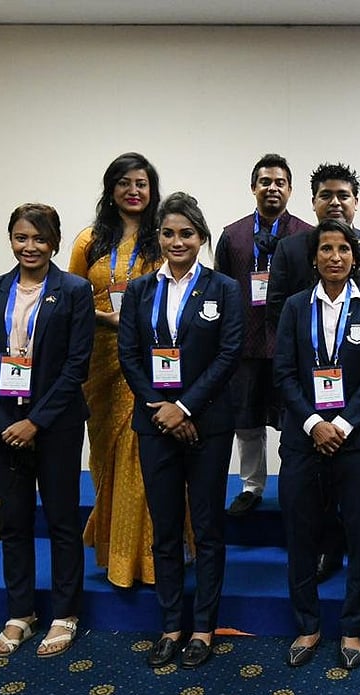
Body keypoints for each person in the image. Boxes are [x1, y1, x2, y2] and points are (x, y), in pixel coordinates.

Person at [117, 192, 243, 669]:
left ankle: (204, 628)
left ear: (201, 238)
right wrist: (161, 408)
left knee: (208, 529)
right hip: (154, 424)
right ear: (158, 237)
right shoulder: (139, 290)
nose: (176, 241)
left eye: (186, 233)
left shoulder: (223, 288)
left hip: (207, 424)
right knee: (165, 529)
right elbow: (129, 355)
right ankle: (171, 625)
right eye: (168, 233)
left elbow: (228, 354)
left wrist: (186, 408)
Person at [265, 162, 360, 587]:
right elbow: (277, 310)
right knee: (316, 485)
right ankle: (327, 547)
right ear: (314, 202)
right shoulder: (291, 249)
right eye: (327, 195)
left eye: (344, 195)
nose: (335, 202)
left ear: (356, 203)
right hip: (307, 393)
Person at [0, 204, 94, 658]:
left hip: (55, 425)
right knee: (14, 522)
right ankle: (20, 612)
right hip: (3, 426)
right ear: (11, 240)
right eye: (22, 237)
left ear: (55, 243)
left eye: (40, 238)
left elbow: (76, 364)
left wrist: (34, 421)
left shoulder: (75, 290)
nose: (30, 246)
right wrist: (4, 423)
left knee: (61, 521)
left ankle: (65, 612)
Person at [275, 219, 360, 669]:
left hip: (357, 440)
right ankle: (307, 625)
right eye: (326, 249)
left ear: (355, 257)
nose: (335, 257)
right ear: (314, 257)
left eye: (343, 249)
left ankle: (352, 629)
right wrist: (313, 424)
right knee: (300, 532)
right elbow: (283, 373)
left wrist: (341, 424)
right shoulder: (293, 307)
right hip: (305, 439)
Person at [70, 152, 165, 587]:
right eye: (125, 183)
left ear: (152, 190)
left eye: (141, 183)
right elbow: (71, 298)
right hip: (101, 360)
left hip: (148, 359)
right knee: (109, 452)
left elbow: (173, 295)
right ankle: (114, 550)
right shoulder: (89, 240)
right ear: (111, 189)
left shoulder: (162, 238)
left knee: (142, 454)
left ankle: (145, 556)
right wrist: (107, 318)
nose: (133, 191)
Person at [215, 153, 311, 516]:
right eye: (265, 182)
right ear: (253, 187)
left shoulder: (305, 235)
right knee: (247, 420)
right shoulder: (232, 235)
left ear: (290, 190)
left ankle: (292, 484)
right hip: (245, 344)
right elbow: (220, 288)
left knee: (292, 419)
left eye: (280, 183)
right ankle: (251, 486)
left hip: (291, 347)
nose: (273, 188)